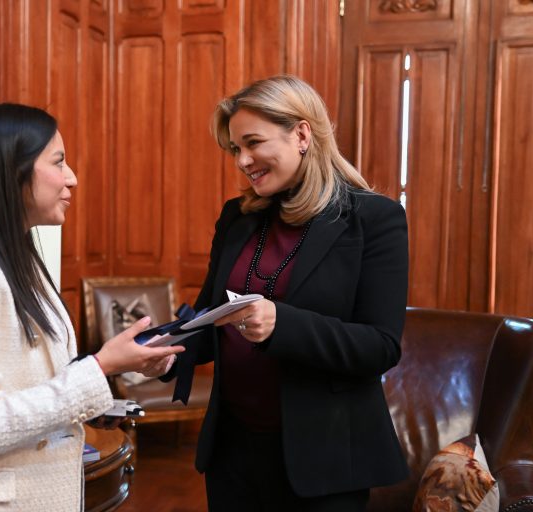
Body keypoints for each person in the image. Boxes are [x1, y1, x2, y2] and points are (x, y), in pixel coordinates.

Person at [0, 103, 183, 511]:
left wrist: (122, 363)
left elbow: (33, 376)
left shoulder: (17, 253)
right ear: (12, 169)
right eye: (59, 162)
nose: (72, 178)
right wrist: (100, 368)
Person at [165, 75, 410, 511]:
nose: (242, 160)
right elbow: (210, 316)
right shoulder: (237, 217)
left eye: (252, 143)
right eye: (235, 149)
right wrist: (165, 350)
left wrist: (284, 324)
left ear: (301, 134)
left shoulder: (375, 218)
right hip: (233, 453)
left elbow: (380, 346)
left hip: (325, 462)